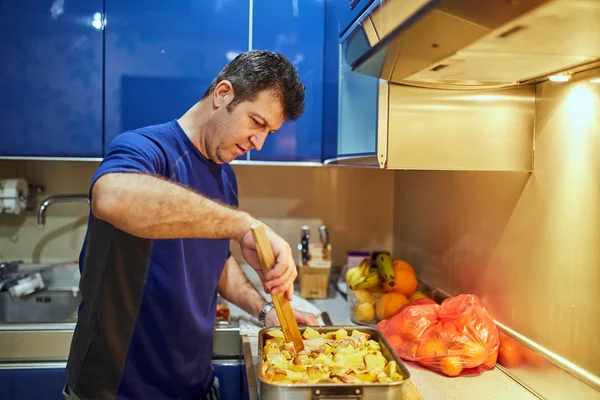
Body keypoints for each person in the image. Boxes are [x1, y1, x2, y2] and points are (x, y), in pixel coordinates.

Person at [63, 50, 319, 400]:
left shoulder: (225, 178)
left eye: (269, 132)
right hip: (118, 391)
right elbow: (111, 197)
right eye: (257, 123)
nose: (258, 143)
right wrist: (244, 225)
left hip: (195, 386)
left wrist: (265, 310)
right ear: (223, 93)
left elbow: (214, 263)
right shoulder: (146, 148)